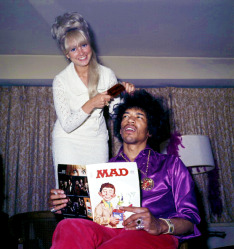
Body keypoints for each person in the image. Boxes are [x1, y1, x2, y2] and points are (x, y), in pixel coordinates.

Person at [49, 90, 201, 249]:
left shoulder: (171, 165)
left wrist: (160, 225)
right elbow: (90, 215)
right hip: (110, 230)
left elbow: (190, 222)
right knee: (69, 226)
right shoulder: (103, 170)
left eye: (139, 117)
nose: (130, 120)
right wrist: (64, 204)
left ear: (150, 130)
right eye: (125, 116)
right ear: (120, 129)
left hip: (153, 234)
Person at [51, 12, 135, 186]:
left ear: (90, 45)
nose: (80, 52)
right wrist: (91, 104)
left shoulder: (107, 75)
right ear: (67, 54)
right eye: (73, 49)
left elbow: (115, 112)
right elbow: (67, 124)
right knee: (72, 195)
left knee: (100, 192)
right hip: (68, 141)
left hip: (97, 141)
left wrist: (124, 95)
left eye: (83, 45)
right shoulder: (60, 81)